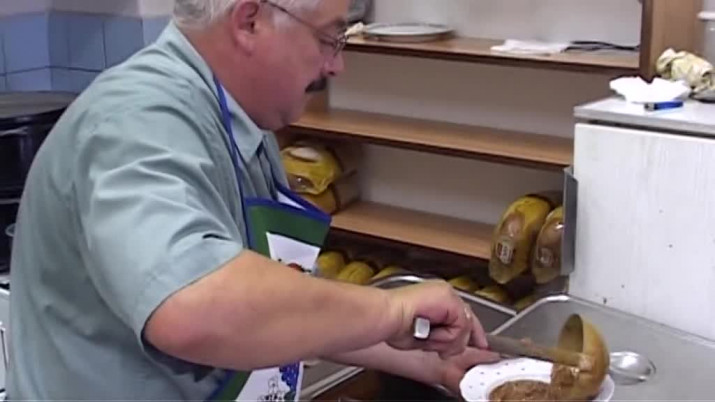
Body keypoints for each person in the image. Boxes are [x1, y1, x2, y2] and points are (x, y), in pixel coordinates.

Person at [6, 0, 499, 400]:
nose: (336, 65)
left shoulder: (241, 123)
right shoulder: (136, 122)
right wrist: (389, 310)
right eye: (328, 39)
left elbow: (274, 304)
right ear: (250, 21)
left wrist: (423, 360)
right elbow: (195, 307)